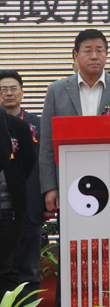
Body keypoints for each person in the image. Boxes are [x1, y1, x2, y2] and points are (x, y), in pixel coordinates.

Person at [39, 29, 110, 301]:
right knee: (74, 253)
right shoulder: (56, 91)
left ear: (107, 55)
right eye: (87, 50)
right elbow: (48, 145)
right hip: (72, 190)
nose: (94, 55)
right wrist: (50, 188)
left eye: (100, 49)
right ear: (75, 56)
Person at [0, 70, 47, 303]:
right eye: (2, 89)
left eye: (13, 88)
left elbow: (39, 163)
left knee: (29, 268)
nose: (8, 94)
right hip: (7, 207)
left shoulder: (36, 125)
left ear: (22, 92)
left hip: (30, 203)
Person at [0, 102, 36, 296]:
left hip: (8, 207)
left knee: (8, 269)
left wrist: (15, 180)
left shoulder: (17, 125)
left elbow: (29, 161)